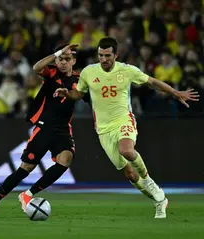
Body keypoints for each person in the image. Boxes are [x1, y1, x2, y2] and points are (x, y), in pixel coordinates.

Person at [54, 37, 199, 219]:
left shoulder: (127, 70)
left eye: (107, 55)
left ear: (116, 55)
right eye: (100, 55)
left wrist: (175, 93)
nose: (104, 59)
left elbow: (152, 82)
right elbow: (79, 93)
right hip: (103, 129)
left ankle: (149, 182)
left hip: (124, 120)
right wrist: (67, 94)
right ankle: (158, 200)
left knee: (127, 151)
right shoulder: (88, 72)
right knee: (130, 174)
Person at [0, 43, 85, 217]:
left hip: (62, 129)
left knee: (65, 160)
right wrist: (58, 52)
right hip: (44, 127)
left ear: (74, 61)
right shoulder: (51, 72)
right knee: (26, 168)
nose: (63, 62)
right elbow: (36, 67)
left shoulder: (80, 79)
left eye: (67, 59)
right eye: (60, 59)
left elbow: (83, 94)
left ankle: (27, 194)